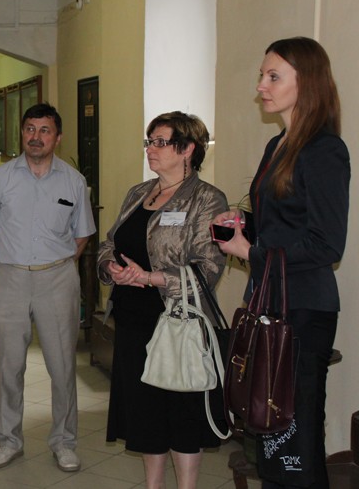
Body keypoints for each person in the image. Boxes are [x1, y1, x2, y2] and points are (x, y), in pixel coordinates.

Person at [214, 37, 350, 489]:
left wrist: (250, 253)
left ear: (306, 82)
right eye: (262, 76)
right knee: (268, 434)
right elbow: (282, 224)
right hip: (269, 302)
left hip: (304, 310)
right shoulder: (278, 144)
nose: (261, 86)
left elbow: (326, 244)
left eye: (273, 76)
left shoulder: (325, 150)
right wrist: (243, 225)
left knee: (297, 438)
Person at [97, 111, 228, 489]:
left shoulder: (207, 199)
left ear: (187, 149)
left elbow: (208, 269)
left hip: (176, 322)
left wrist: (149, 277)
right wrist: (111, 268)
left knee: (181, 415)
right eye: (149, 141)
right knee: (145, 414)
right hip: (132, 321)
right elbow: (110, 242)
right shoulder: (139, 193)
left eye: (160, 142)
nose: (150, 149)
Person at [0, 103, 95, 472]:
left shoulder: (73, 181)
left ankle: (64, 442)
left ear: (58, 138)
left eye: (45, 130)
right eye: (30, 128)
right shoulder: (1, 178)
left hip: (57, 279)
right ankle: (8, 441)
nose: (36, 136)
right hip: (9, 279)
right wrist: (14, 260)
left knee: (62, 367)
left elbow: (81, 236)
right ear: (22, 133)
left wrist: (54, 265)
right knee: (10, 366)